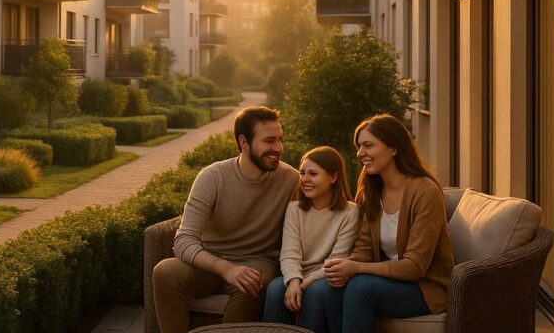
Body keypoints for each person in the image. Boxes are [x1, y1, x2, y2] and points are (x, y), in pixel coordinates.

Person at [152, 106, 299, 332]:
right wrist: (225, 268)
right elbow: (183, 240)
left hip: (257, 261)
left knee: (253, 280)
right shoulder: (213, 177)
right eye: (269, 141)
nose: (278, 148)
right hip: (210, 263)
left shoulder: (291, 179)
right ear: (243, 142)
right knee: (164, 272)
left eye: (280, 140)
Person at [320, 114, 454, 333]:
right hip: (391, 281)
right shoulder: (372, 190)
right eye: (359, 146)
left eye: (368, 145)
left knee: (361, 289)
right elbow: (363, 250)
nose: (359, 153)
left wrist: (357, 268)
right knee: (332, 286)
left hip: (426, 287)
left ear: (393, 148)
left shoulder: (425, 191)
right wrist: (342, 266)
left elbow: (415, 266)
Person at [263, 146, 360, 333]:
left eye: (313, 174)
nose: (305, 180)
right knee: (275, 288)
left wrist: (302, 285)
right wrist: (293, 281)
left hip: (326, 277)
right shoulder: (295, 208)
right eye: (302, 173)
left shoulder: (350, 212)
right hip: (297, 273)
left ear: (333, 177)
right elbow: (290, 252)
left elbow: (336, 261)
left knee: (315, 291)